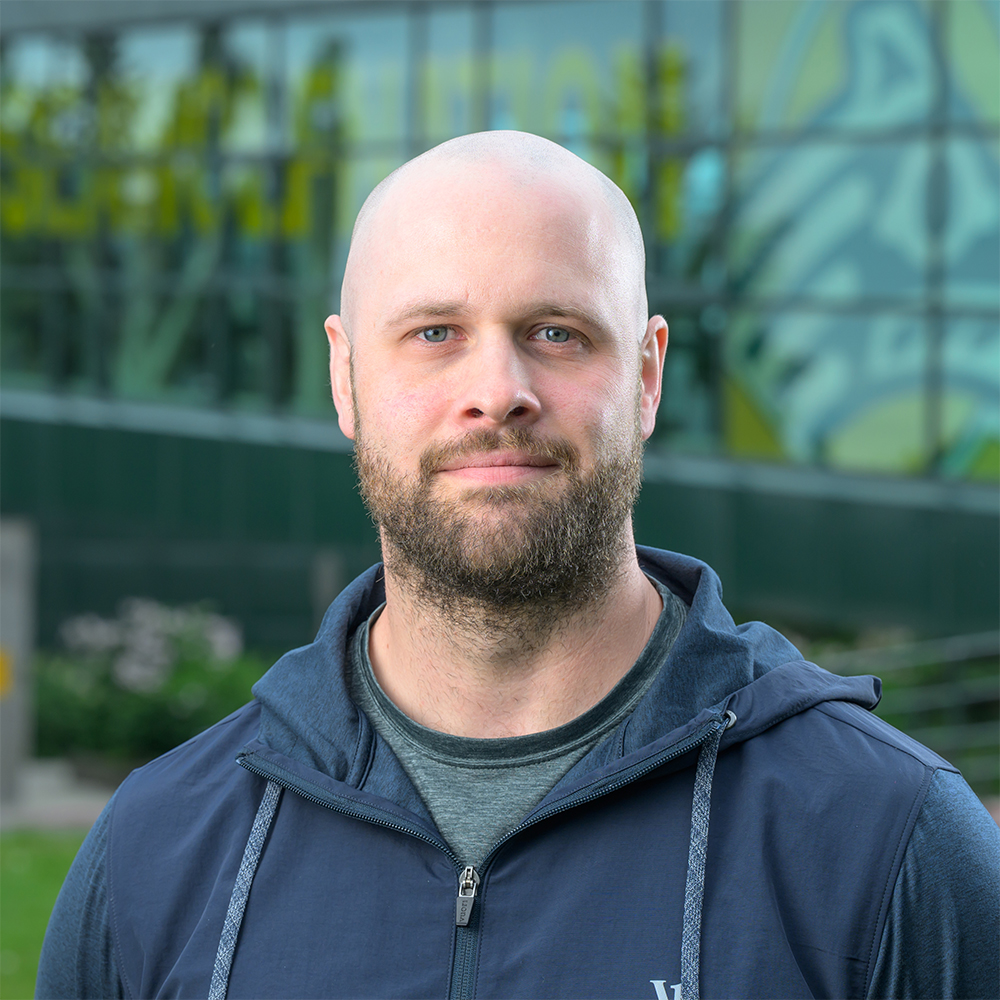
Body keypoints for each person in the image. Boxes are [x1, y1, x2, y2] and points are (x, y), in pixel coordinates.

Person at [37, 131, 998, 1000]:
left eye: (556, 333)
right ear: (343, 377)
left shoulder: (886, 839)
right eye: (434, 334)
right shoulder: (157, 851)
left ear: (649, 374)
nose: (497, 393)